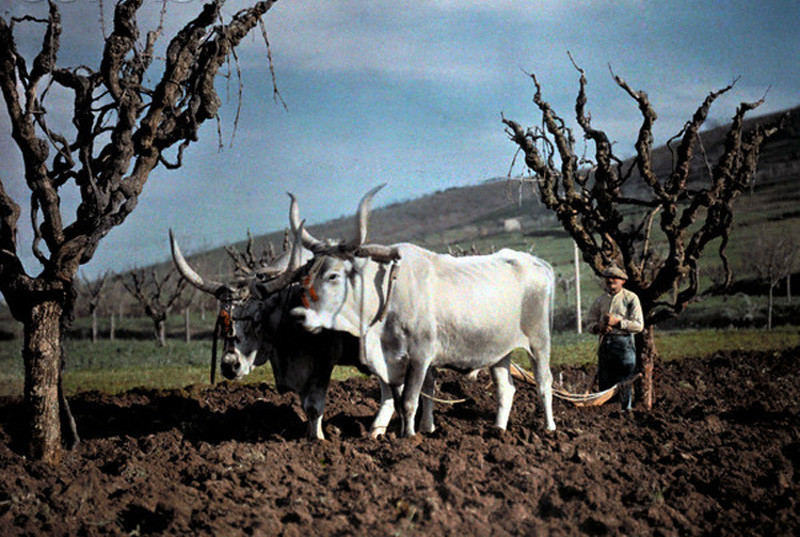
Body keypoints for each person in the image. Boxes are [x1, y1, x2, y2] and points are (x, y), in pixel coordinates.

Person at [586, 265, 644, 410]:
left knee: (624, 382)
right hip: (606, 344)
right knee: (605, 381)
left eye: (615, 278)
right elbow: (589, 323)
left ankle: (625, 411)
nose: (611, 280)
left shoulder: (631, 298)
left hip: (624, 344)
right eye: (608, 278)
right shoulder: (600, 301)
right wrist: (599, 328)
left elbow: (638, 326)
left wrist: (618, 323)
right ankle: (607, 414)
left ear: (623, 281)